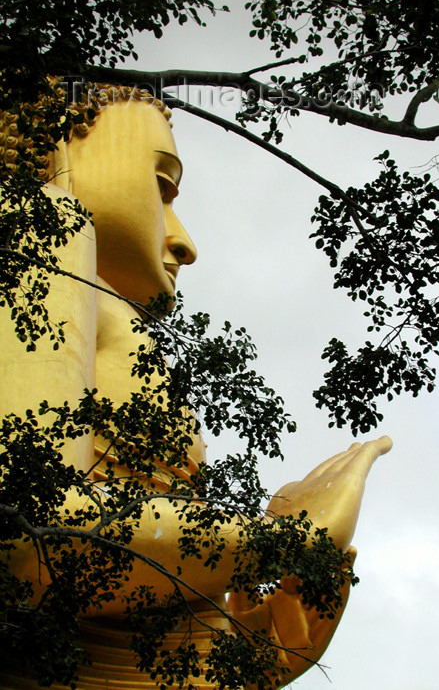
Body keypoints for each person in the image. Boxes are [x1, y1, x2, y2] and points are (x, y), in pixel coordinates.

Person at [0, 84, 391, 688]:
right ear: (57, 148)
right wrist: (281, 542)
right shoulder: (42, 227)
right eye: (162, 186)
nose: (184, 240)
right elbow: (25, 537)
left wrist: (254, 643)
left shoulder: (100, 305)